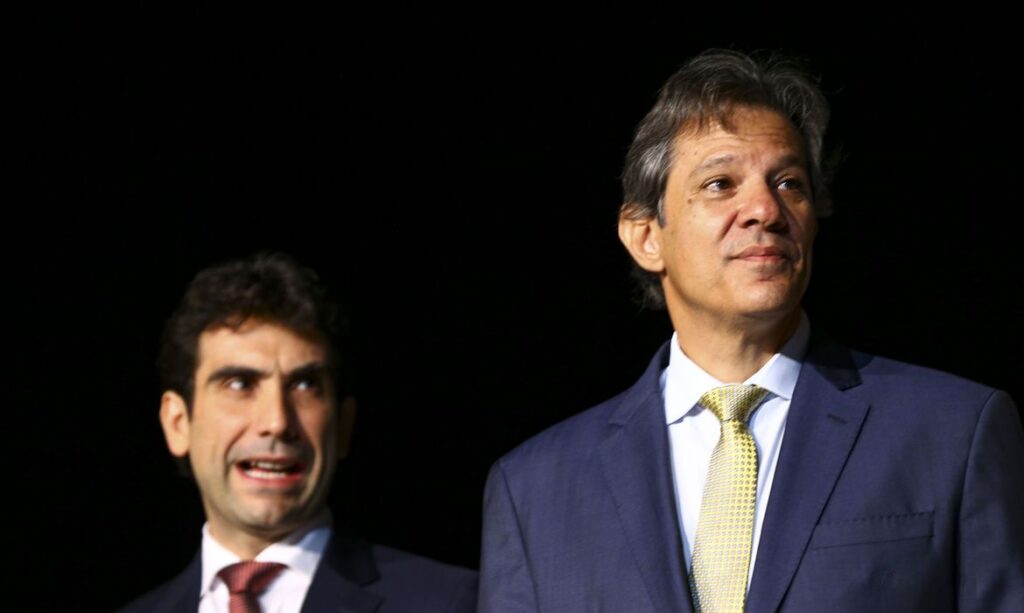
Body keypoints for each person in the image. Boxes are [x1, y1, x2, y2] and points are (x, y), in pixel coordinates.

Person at [478, 48, 1024, 612]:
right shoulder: (533, 488)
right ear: (645, 236)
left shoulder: (954, 432)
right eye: (720, 184)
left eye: (789, 183)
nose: (765, 209)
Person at [118, 251, 477, 613]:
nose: (277, 421)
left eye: (304, 385)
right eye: (240, 384)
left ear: (343, 424)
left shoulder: (452, 603)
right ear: (178, 423)